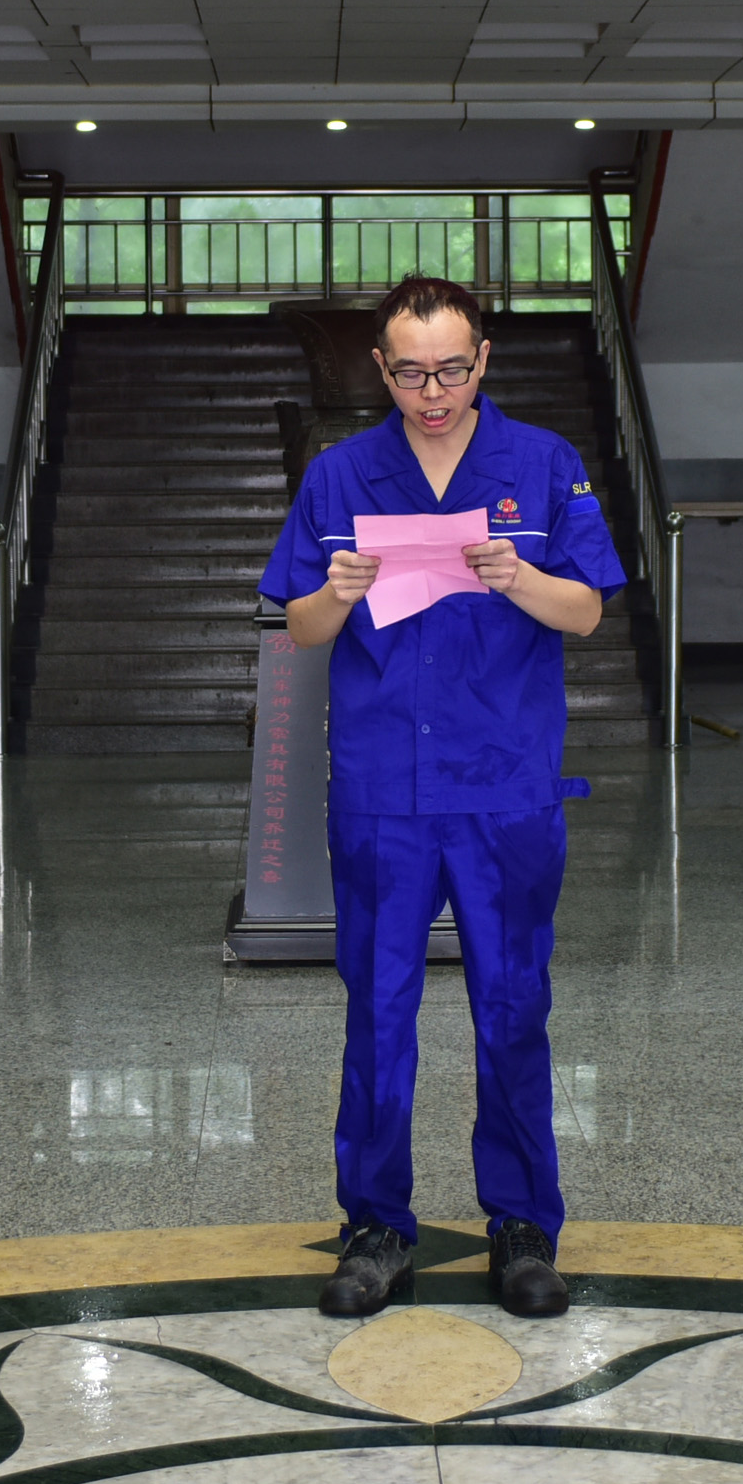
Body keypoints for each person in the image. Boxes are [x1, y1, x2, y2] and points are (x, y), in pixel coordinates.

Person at [260, 274, 622, 1324]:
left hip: (504, 786)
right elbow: (298, 627)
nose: (433, 392)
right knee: (378, 1011)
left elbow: (587, 611)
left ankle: (523, 1227)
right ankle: (375, 1226)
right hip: (384, 791)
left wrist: (516, 577)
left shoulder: (542, 464)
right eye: (411, 373)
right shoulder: (340, 475)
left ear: (483, 360)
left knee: (513, 1006)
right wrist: (333, 594)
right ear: (381, 369)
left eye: (452, 370)